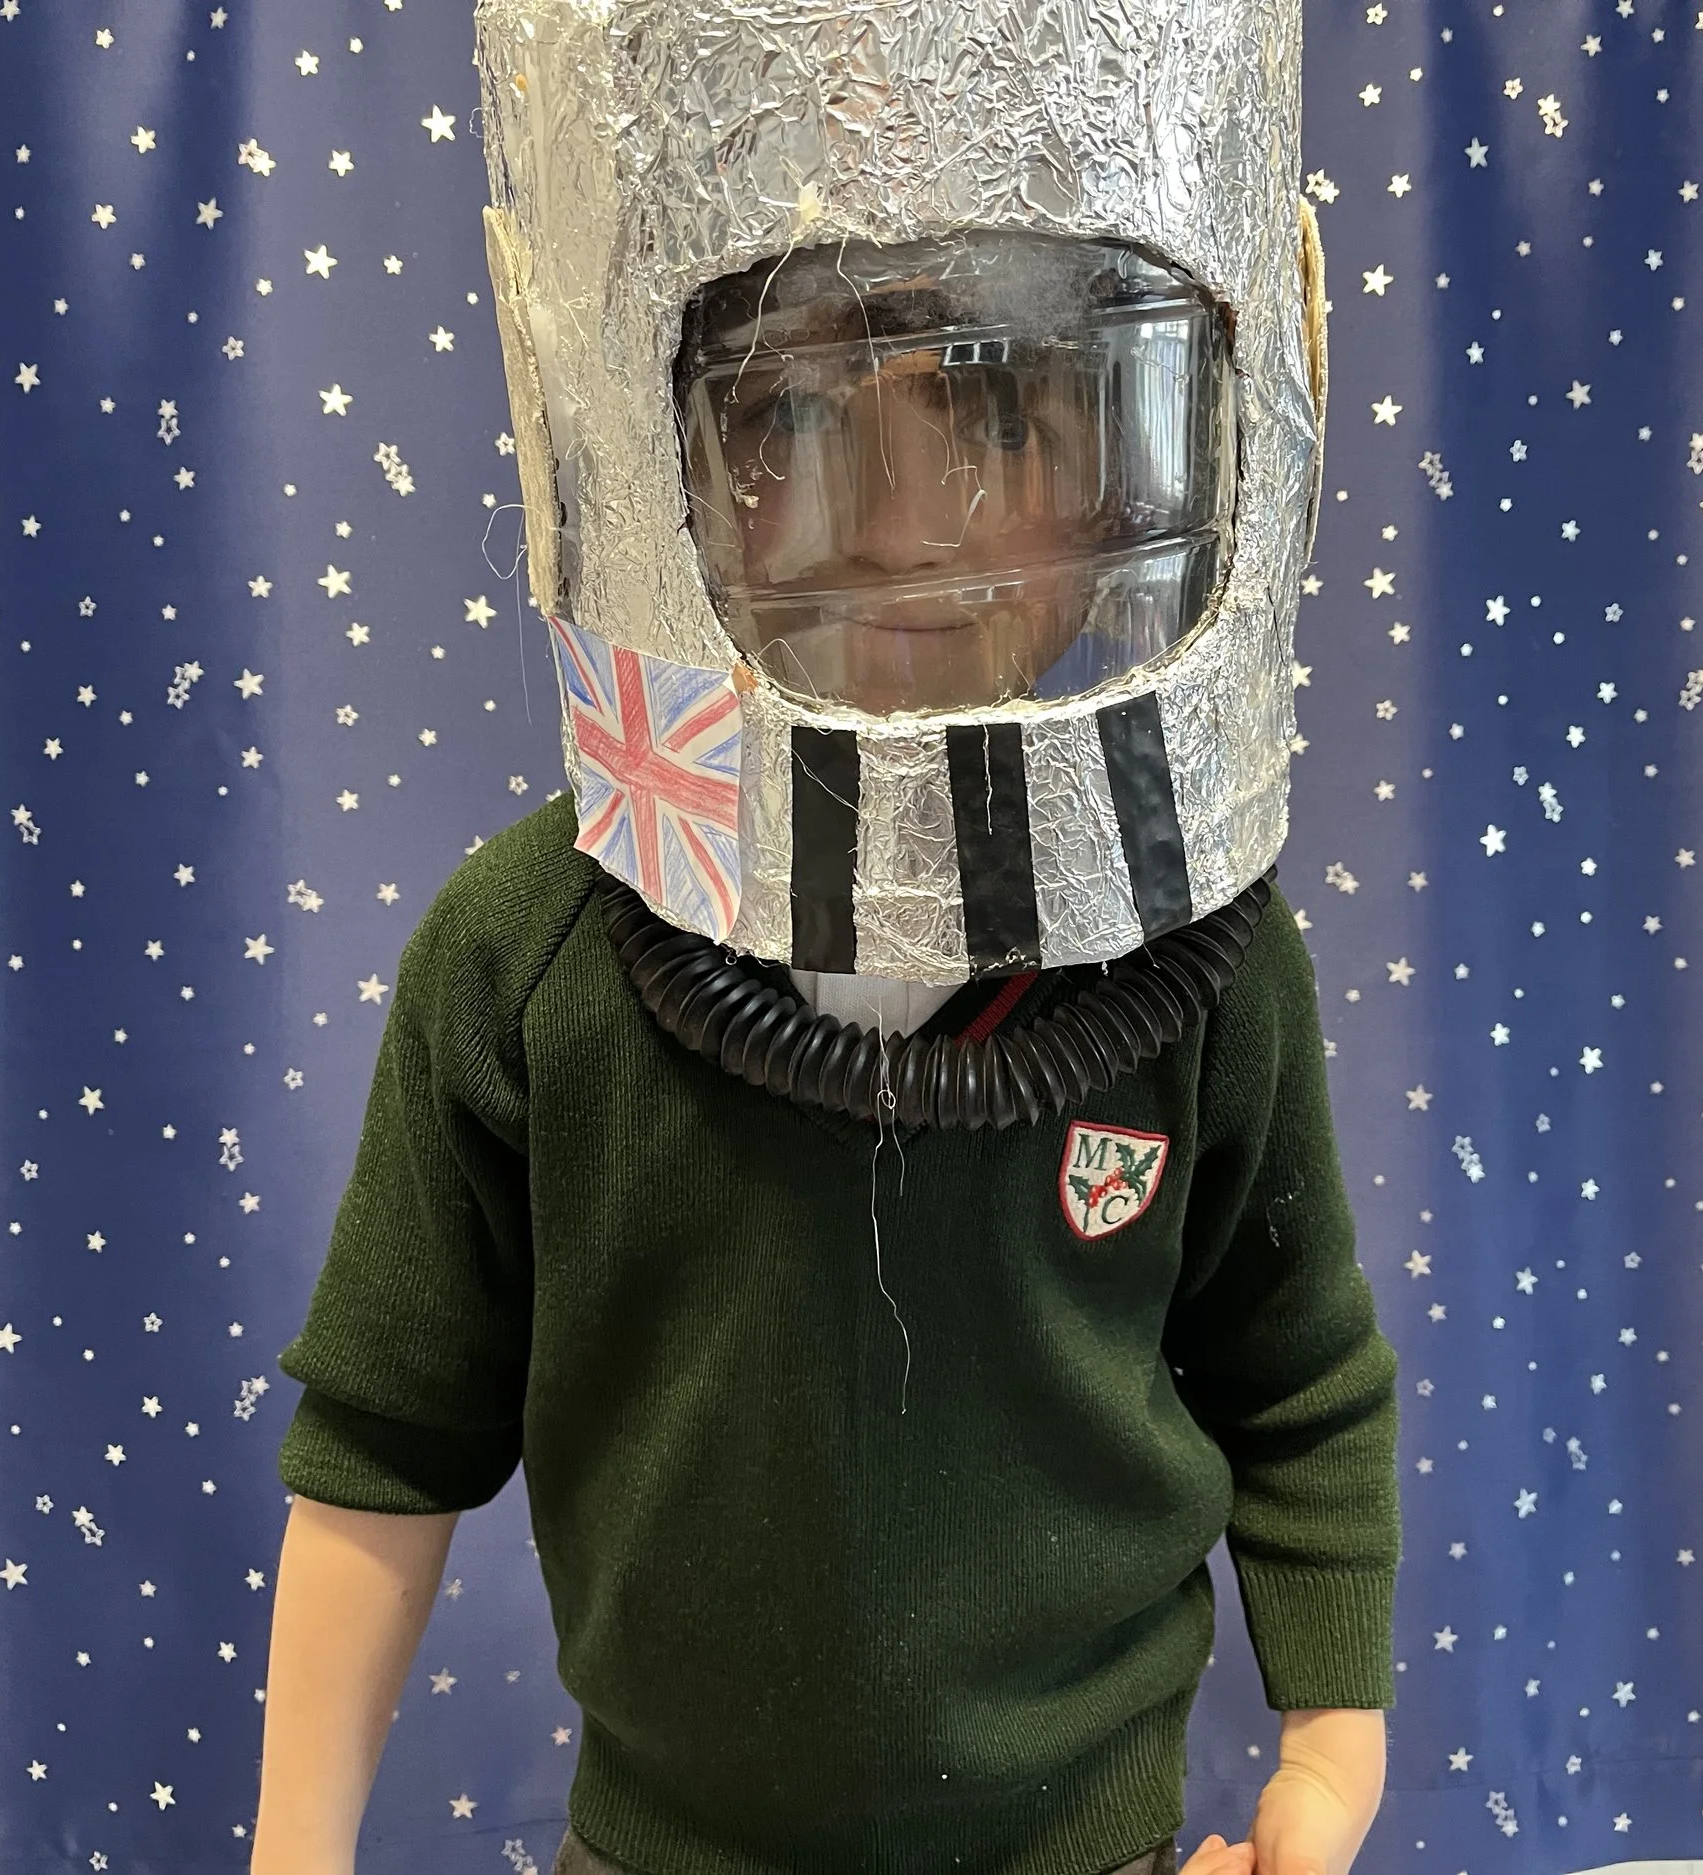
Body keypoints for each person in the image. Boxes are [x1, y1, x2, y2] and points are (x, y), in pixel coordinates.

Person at [250, 3, 1397, 1873]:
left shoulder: (1201, 959)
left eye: (995, 409)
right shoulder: (526, 959)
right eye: (792, 413)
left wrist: (1329, 1766)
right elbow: (384, 1441)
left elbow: (1304, 1378)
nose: (903, 527)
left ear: (1136, 458)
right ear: (658, 446)